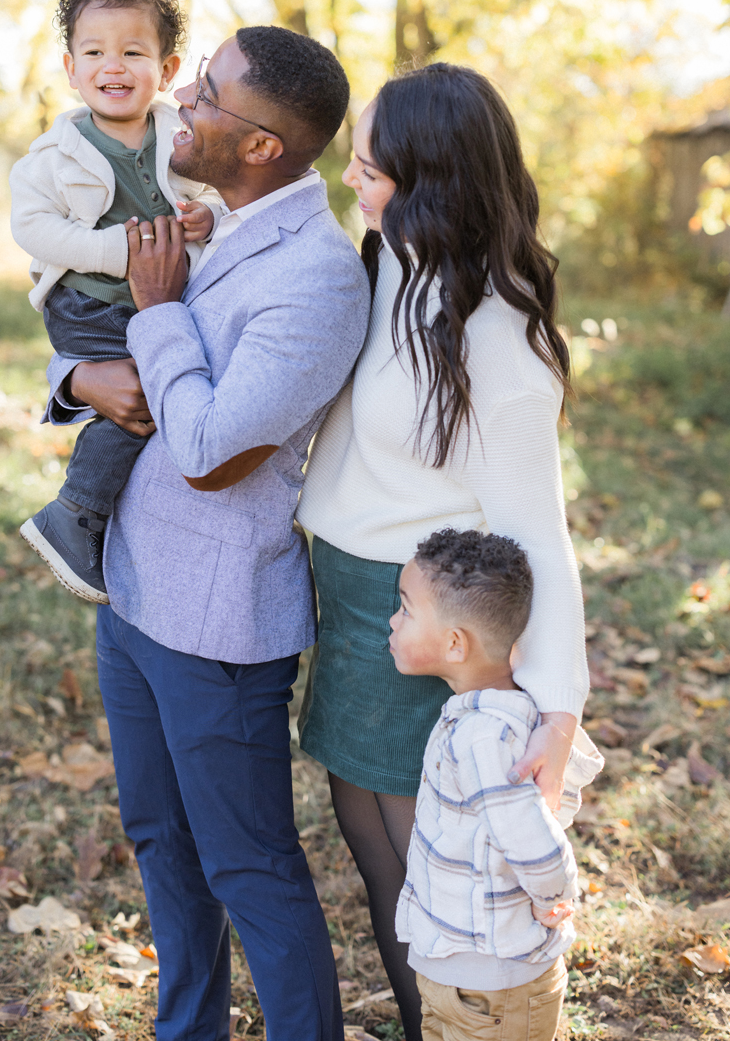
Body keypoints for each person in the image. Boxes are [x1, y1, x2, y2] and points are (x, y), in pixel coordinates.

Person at [43, 26, 371, 1041]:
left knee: (251, 868)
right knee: (160, 843)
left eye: (209, 88)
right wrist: (71, 374)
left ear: (262, 142)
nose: (178, 93)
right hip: (134, 596)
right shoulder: (210, 220)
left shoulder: (317, 280)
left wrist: (156, 311)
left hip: (221, 629)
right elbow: (107, 356)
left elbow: (213, 450)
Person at [296, 62, 590, 1040]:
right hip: (351, 597)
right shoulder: (395, 257)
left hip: (422, 614)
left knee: (431, 879)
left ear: (432, 183)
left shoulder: (495, 338)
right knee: (372, 847)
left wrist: (555, 707)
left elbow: (534, 532)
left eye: (369, 169)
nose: (352, 184)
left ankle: (464, 1027)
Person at [9, 0, 221, 603]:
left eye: (134, 52)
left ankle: (92, 516)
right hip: (89, 303)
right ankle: (77, 513)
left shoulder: (183, 136)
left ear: (169, 68)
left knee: (164, 385)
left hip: (153, 299)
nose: (114, 66)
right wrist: (116, 252)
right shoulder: (53, 155)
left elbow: (214, 195)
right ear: (72, 70)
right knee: (149, 390)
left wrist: (207, 215)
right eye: (95, 52)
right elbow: (35, 229)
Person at [389, 528, 602, 1041]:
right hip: (457, 977)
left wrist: (551, 896)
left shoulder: (485, 737)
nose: (393, 622)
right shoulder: (476, 720)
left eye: (405, 610)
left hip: (492, 987)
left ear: (455, 644)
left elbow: (531, 836)